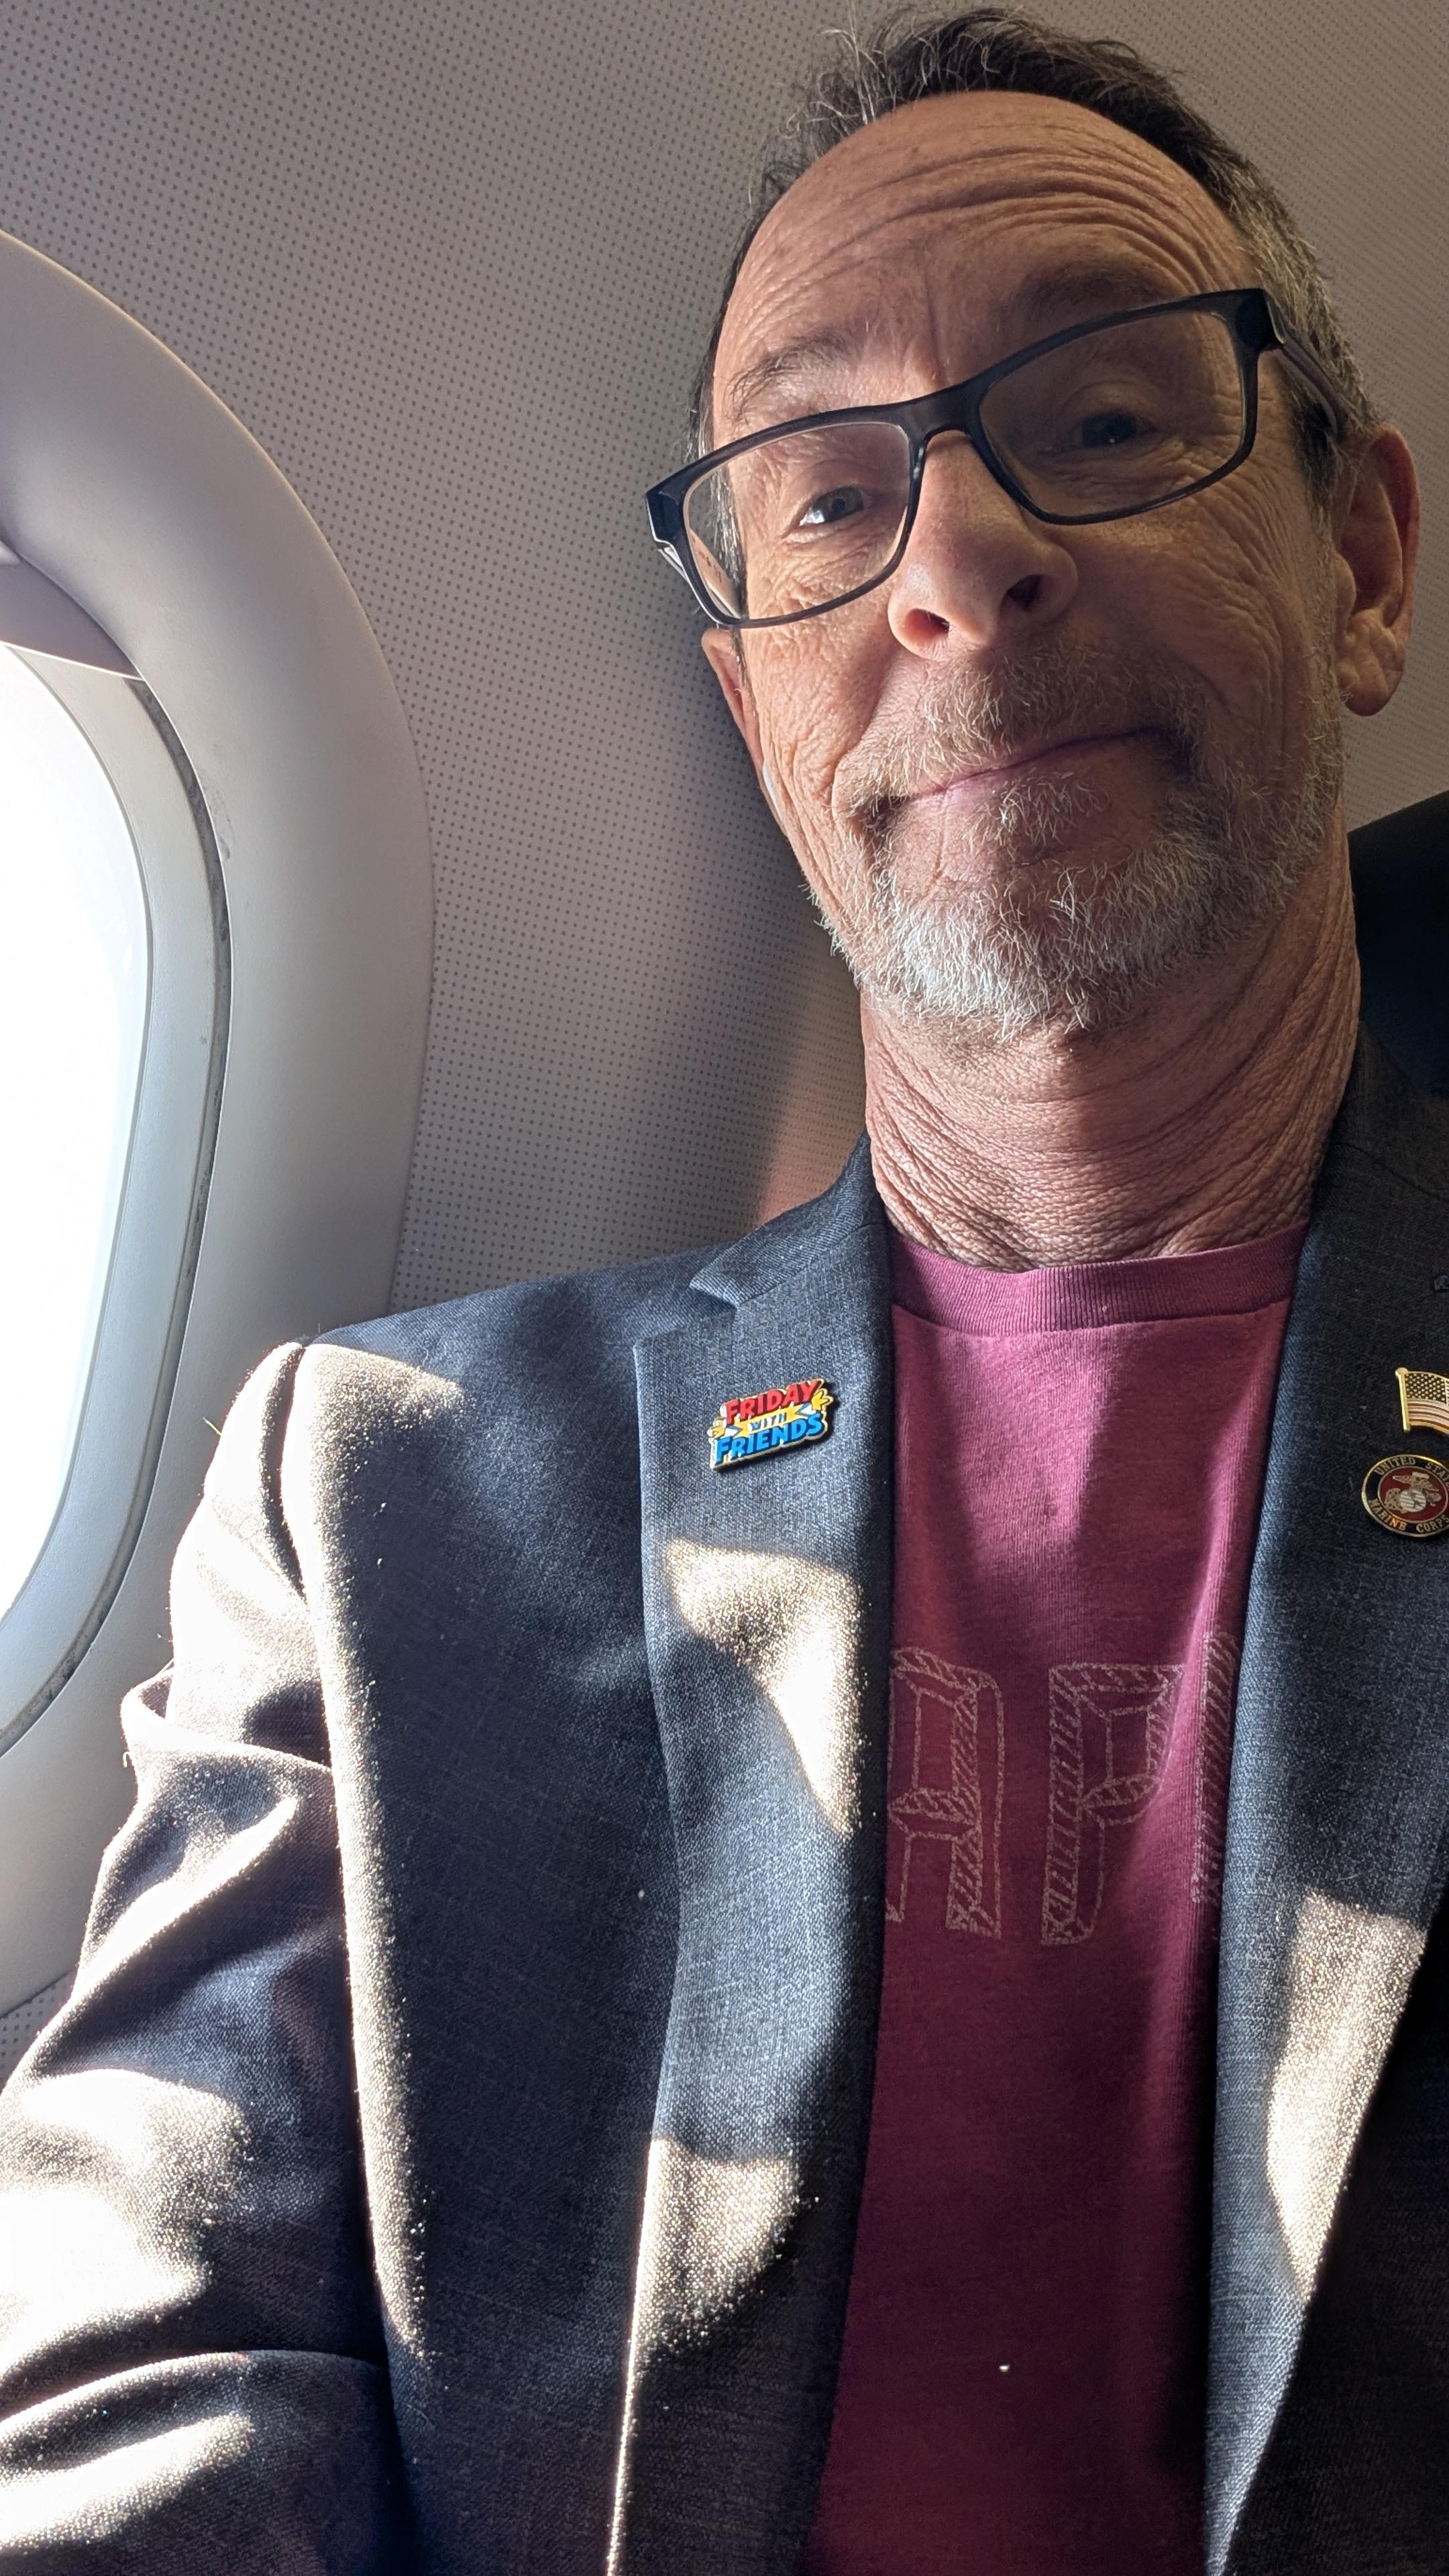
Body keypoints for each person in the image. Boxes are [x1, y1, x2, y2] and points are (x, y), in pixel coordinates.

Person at [0, 9, 1443, 2571]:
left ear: (1360, 561)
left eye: (1109, 421)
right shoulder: (381, 1499)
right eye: (829, 502)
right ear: (756, 701)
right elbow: (134, 2372)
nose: (958, 565)